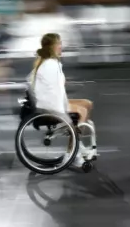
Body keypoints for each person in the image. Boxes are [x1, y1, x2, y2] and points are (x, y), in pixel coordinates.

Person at [29, 33, 96, 162]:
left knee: (87, 103)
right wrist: (64, 111)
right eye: (58, 44)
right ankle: (72, 153)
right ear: (51, 47)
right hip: (49, 106)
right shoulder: (50, 65)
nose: (61, 46)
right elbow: (54, 92)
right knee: (82, 111)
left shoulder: (50, 63)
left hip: (50, 102)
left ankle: (77, 143)